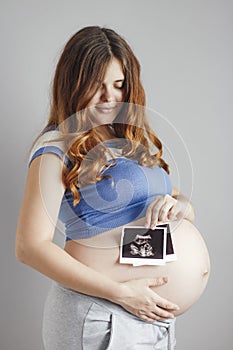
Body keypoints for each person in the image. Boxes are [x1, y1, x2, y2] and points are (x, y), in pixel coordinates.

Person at [15, 26, 195, 350]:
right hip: (102, 316)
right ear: (73, 85)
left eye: (118, 85)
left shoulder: (127, 141)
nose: (109, 97)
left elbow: (159, 203)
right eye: (96, 86)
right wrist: (123, 293)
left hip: (148, 317)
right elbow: (29, 246)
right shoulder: (56, 147)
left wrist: (180, 205)